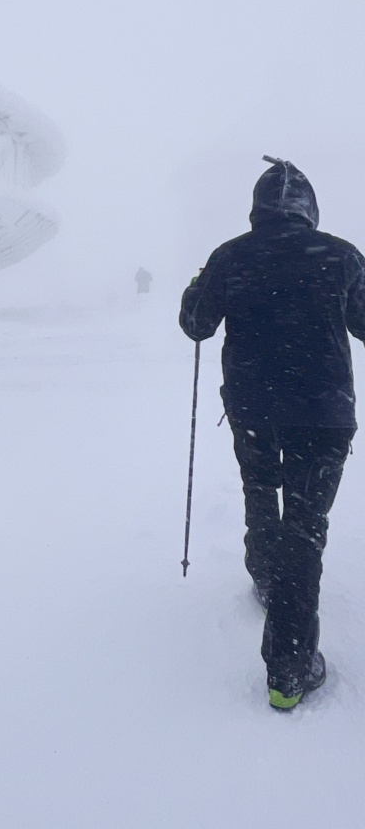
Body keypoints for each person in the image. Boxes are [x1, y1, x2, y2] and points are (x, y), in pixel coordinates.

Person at [179, 157, 365, 710]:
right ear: (308, 208)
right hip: (322, 413)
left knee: (261, 494)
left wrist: (197, 289)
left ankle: (266, 575)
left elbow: (196, 324)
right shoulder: (340, 256)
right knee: (305, 527)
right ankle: (289, 669)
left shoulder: (232, 256)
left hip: (255, 408)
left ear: (258, 208)